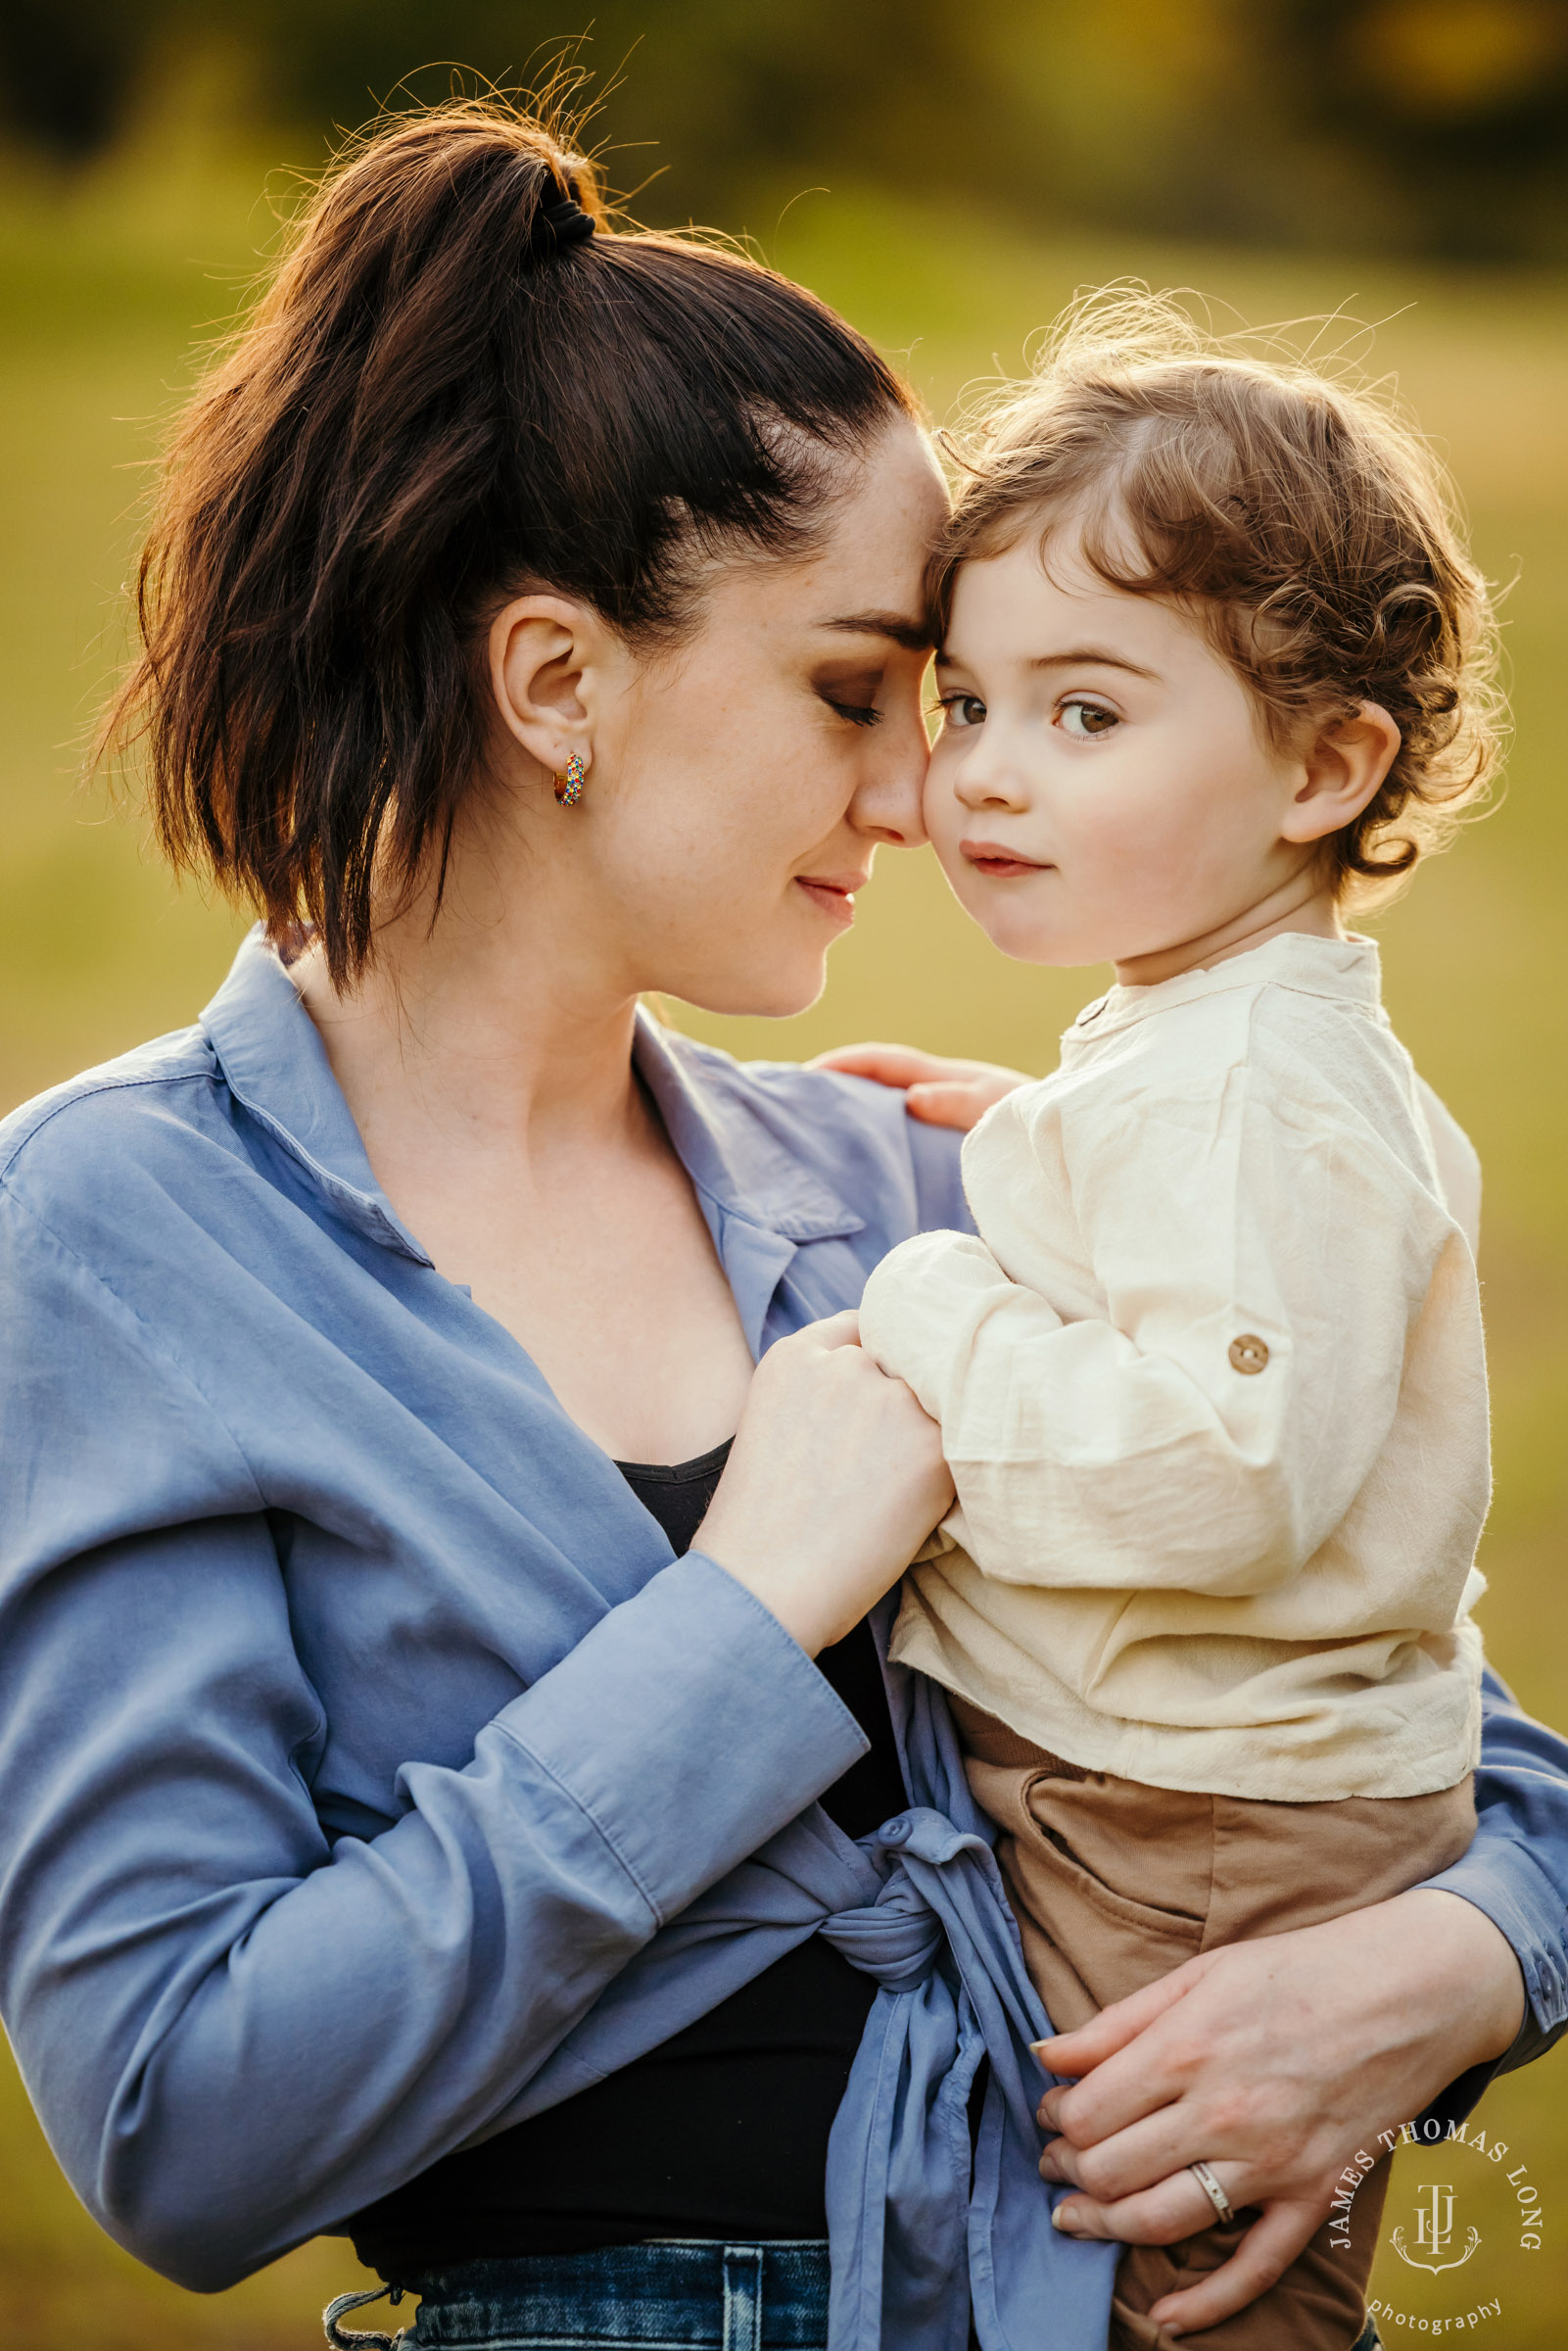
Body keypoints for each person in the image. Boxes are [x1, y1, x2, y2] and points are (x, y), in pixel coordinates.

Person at [0, 98, 1560, 2351]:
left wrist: (1450, 1966)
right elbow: (180, 2122)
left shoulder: (907, 1177)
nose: (928, 795)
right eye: (858, 692)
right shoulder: (121, 1232)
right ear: (555, 686)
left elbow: (1394, 1704)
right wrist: (742, 1625)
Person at [851, 298, 1501, 2348]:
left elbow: (1216, 1475)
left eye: (1088, 715)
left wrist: (939, 1290)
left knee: (1170, 2283)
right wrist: (1040, 1151)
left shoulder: (1249, 1093)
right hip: (1191, 1789)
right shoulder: (1203, 1052)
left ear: (1327, 763)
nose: (981, 780)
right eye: (966, 704)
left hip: (1201, 1835)